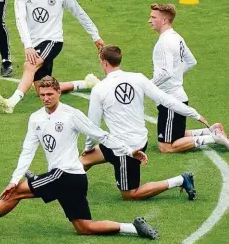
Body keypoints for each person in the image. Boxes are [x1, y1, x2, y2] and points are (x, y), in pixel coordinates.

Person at [0, 76, 158, 240]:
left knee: (16, 193)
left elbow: (100, 134)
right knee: (84, 227)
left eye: (50, 93)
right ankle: (133, 227)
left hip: (67, 175)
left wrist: (129, 151)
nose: (46, 98)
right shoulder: (36, 118)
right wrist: (14, 178)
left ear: (59, 92)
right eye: (42, 95)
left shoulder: (71, 115)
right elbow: (27, 151)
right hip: (69, 179)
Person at [80, 45, 222, 201]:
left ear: (104, 62)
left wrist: (87, 147)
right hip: (132, 140)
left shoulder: (100, 89)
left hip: (126, 148)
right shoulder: (138, 78)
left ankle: (181, 180)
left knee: (130, 195)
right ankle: (70, 190)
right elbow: (165, 99)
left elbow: (93, 125)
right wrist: (194, 113)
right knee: (83, 161)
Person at [0, 0, 104, 114]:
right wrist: (28, 45)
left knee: (29, 66)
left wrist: (95, 35)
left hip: (53, 40)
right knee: (43, 89)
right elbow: (20, 18)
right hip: (34, 43)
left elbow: (79, 12)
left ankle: (11, 102)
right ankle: (87, 83)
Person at [149, 3, 229, 151]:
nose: (150, 20)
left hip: (170, 100)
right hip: (178, 96)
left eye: (153, 17)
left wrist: (146, 86)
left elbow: (166, 73)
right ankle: (212, 130)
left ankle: (213, 137)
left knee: (166, 147)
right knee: (177, 135)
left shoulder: (164, 41)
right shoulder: (176, 37)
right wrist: (177, 75)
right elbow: (191, 62)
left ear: (165, 20)